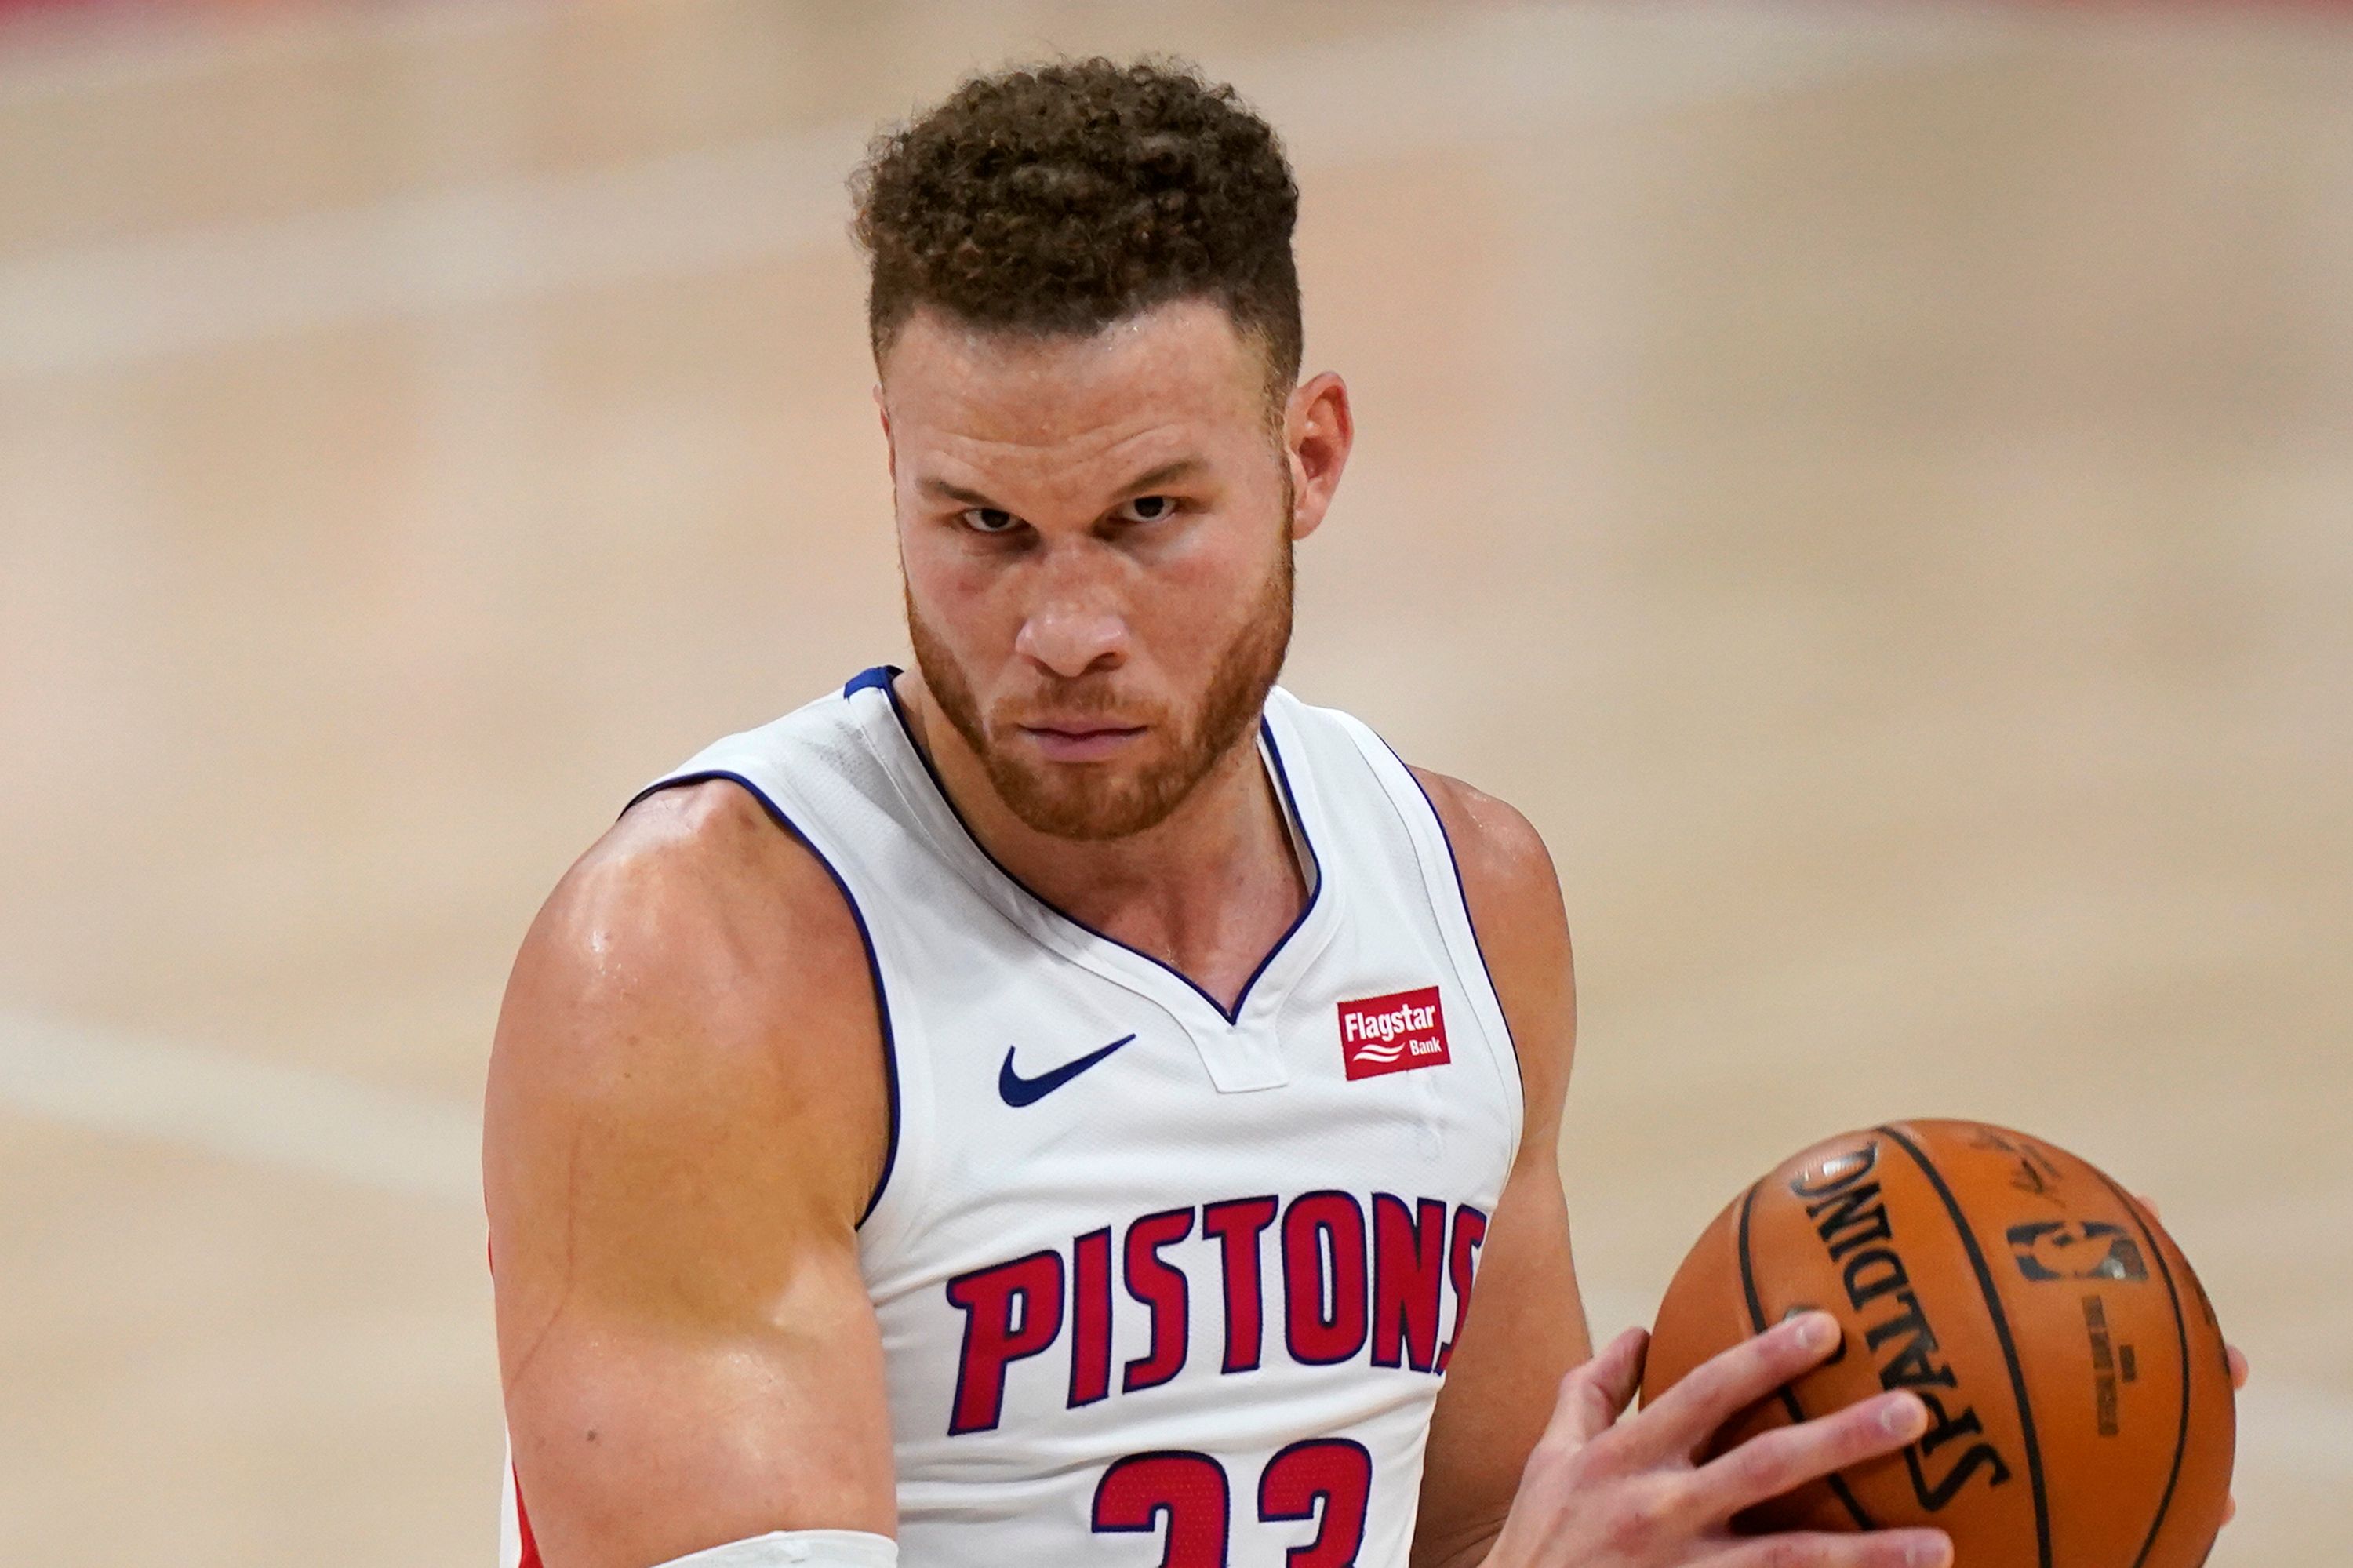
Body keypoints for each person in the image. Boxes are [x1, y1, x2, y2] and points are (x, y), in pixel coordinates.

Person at [485, 57, 1966, 1568]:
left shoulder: (1468, 904)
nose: (1065, 627)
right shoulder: (704, 968)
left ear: (1307, 457)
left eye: (1147, 519)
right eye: (984, 525)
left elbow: (1479, 1535)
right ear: (892, 463)